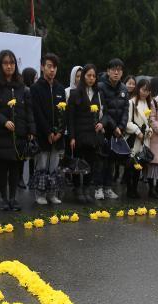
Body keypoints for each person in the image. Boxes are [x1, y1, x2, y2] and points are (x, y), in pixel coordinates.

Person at [0, 49, 35, 211]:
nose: (9, 66)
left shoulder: (21, 86)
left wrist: (31, 130)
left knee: (15, 168)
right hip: (1, 134)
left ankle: (13, 198)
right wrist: (4, 121)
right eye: (5, 63)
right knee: (1, 168)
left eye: (12, 63)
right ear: (0, 65)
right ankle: (4, 198)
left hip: (18, 134)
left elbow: (28, 110)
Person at [30, 53, 66, 205]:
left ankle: (52, 193)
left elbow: (64, 113)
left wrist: (59, 131)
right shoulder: (35, 88)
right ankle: (40, 194)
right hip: (43, 135)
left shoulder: (60, 88)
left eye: (54, 67)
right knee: (42, 164)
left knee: (54, 166)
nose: (52, 70)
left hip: (57, 136)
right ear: (42, 67)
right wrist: (48, 132)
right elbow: (37, 112)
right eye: (49, 66)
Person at [67, 64, 103, 204]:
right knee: (77, 163)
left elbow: (105, 113)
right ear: (83, 77)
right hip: (79, 134)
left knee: (91, 163)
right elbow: (70, 117)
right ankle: (77, 189)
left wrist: (102, 123)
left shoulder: (98, 94)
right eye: (89, 75)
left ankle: (87, 188)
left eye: (94, 76)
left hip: (93, 135)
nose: (91, 78)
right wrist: (72, 137)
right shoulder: (75, 93)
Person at [94, 58, 128, 200]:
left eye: (119, 69)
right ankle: (98, 188)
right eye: (113, 69)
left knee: (112, 161)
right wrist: (114, 127)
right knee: (101, 160)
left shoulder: (124, 89)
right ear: (108, 71)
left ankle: (108, 187)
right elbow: (104, 110)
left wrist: (121, 127)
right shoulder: (101, 86)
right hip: (104, 129)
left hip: (117, 131)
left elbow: (126, 110)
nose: (116, 72)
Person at [123, 78, 153, 199]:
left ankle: (135, 189)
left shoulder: (149, 104)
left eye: (148, 91)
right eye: (143, 90)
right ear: (138, 89)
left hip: (144, 140)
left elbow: (150, 122)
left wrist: (149, 131)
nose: (145, 93)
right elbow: (127, 122)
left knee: (139, 166)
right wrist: (137, 131)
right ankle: (129, 189)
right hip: (133, 138)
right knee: (131, 164)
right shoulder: (131, 102)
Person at [18, 67, 38, 189]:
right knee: (22, 154)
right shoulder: (23, 90)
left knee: (32, 152)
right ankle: (19, 177)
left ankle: (32, 177)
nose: (36, 79)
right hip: (23, 126)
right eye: (34, 77)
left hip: (33, 125)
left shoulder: (35, 90)